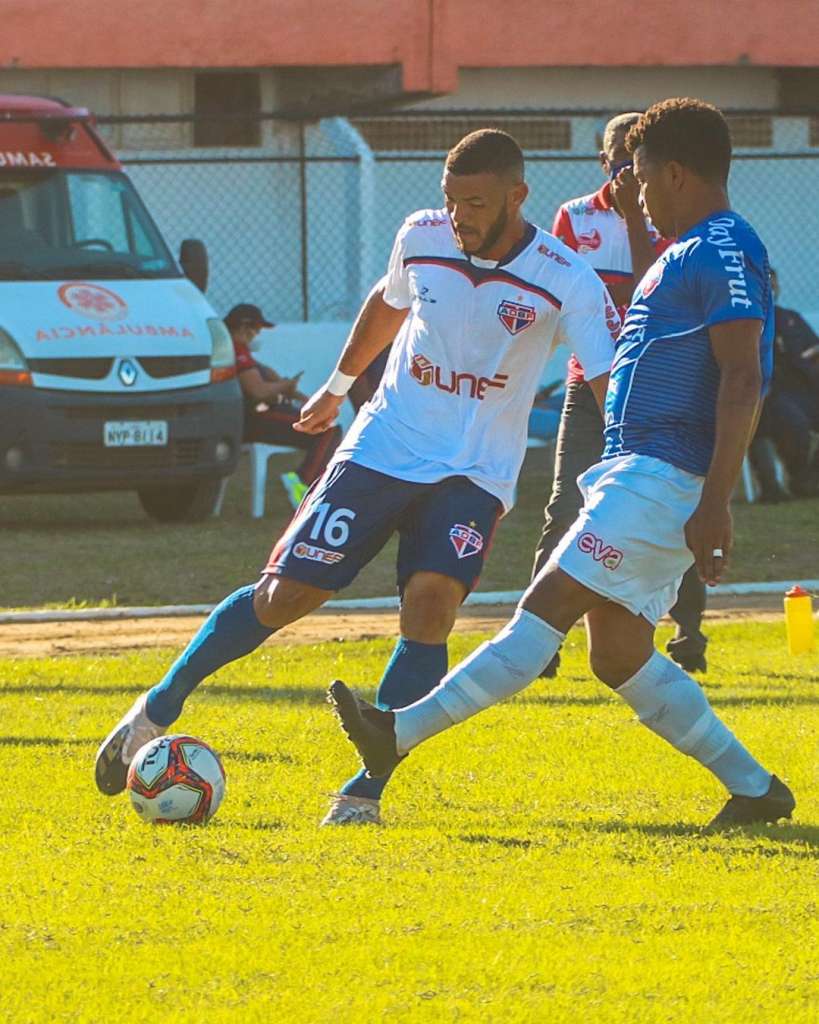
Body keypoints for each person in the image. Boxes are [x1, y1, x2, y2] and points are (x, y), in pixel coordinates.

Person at [94, 129, 619, 826]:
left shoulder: (565, 277)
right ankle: (156, 709)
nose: (459, 215)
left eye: (476, 203)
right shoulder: (422, 235)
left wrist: (630, 459)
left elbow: (608, 378)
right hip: (384, 447)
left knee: (430, 607)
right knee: (285, 597)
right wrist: (337, 386)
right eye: (452, 200)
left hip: (474, 472)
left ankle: (365, 789)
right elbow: (388, 300)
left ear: (517, 197)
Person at [330, 98, 796, 833]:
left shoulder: (722, 247)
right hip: (641, 471)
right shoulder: (687, 247)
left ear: (676, 174)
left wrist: (716, 501)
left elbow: (744, 377)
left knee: (544, 607)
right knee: (617, 655)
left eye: (642, 179)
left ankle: (397, 733)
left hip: (662, 476)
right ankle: (756, 790)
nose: (634, 195)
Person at [536, 112, 708, 675]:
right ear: (602, 161)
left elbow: (656, 293)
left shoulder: (665, 214)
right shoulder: (575, 216)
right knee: (566, 504)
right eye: (616, 164)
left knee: (671, 505)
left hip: (656, 387)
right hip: (589, 381)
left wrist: (635, 217)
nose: (625, 177)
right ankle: (541, 644)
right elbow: (559, 295)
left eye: (634, 166)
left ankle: (688, 631)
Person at [225, 302, 341, 509]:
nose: (256, 335)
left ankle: (307, 484)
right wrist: (285, 385)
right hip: (255, 418)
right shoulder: (235, 350)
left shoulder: (236, 351)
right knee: (327, 431)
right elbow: (258, 391)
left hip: (258, 416)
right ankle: (301, 483)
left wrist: (301, 397)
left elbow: (270, 379)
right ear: (243, 327)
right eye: (256, 330)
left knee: (326, 429)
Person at [750, 269, 819, 498]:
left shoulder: (791, 318)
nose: (771, 289)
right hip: (774, 393)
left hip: (806, 388)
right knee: (795, 423)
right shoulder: (749, 323)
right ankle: (798, 476)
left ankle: (810, 478)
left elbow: (814, 348)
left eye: (773, 284)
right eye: (765, 285)